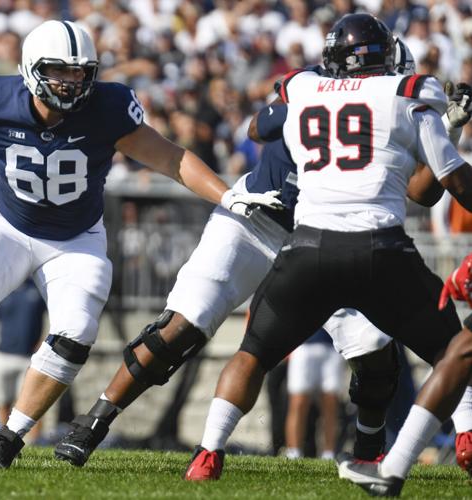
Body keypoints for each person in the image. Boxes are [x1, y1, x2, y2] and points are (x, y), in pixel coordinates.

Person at [0, 19, 282, 465]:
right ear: (31, 69)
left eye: (79, 72)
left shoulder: (109, 106)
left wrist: (228, 195)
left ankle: (9, 437)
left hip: (75, 238)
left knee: (75, 333)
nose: (70, 82)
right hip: (7, 224)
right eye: (58, 71)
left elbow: (169, 157)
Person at [51, 36, 461, 468]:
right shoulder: (315, 90)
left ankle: (367, 455)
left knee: (376, 354)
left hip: (325, 236)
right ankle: (95, 420)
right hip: (257, 218)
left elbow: (422, 193)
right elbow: (256, 128)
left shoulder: (387, 107)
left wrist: (447, 129)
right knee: (179, 328)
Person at [180, 14, 472, 497]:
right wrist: (448, 126)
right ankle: (465, 437)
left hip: (308, 247)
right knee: (454, 349)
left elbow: (257, 128)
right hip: (380, 249)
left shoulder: (302, 89)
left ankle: (208, 454)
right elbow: (449, 184)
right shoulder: (408, 93)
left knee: (253, 353)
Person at [0, 279, 47, 423]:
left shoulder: (38, 289)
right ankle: (3, 438)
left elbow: (48, 318)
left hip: (29, 357)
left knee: (32, 402)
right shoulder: (3, 288)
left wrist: (43, 346)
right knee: (3, 401)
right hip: (1, 355)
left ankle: (36, 440)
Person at [284, 329, 345, 460]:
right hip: (302, 345)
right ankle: (293, 452)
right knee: (298, 403)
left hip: (333, 346)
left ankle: (329, 454)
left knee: (331, 404)